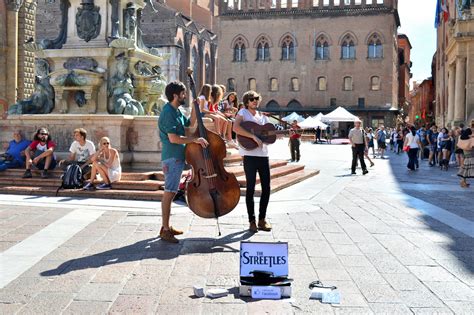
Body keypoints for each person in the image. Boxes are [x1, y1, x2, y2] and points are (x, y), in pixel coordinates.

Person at [157, 81, 208, 243]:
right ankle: (165, 229)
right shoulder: (168, 112)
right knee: (169, 192)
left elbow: (191, 124)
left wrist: (196, 107)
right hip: (171, 157)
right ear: (175, 95)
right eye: (183, 93)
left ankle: (166, 226)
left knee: (171, 192)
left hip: (177, 157)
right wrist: (195, 140)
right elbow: (173, 138)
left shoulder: (176, 111)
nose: (185, 96)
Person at [233, 90, 272, 233]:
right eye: (252, 99)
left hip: (263, 155)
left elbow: (269, 135)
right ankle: (252, 221)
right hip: (249, 155)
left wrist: (282, 134)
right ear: (246, 101)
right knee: (250, 188)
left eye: (256, 98)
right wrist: (252, 136)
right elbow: (235, 128)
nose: (255, 101)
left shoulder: (263, 117)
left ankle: (262, 219)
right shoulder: (243, 113)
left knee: (266, 188)